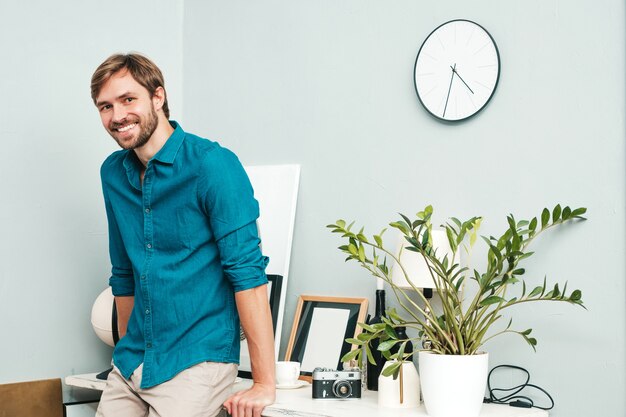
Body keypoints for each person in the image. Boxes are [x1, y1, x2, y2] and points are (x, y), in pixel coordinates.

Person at [90, 53, 276, 417]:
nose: (117, 116)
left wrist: (263, 383)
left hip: (196, 362)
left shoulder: (212, 164)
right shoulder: (113, 173)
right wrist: (127, 350)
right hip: (132, 363)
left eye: (128, 100)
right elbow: (124, 272)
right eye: (105, 107)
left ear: (158, 97)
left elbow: (248, 276)